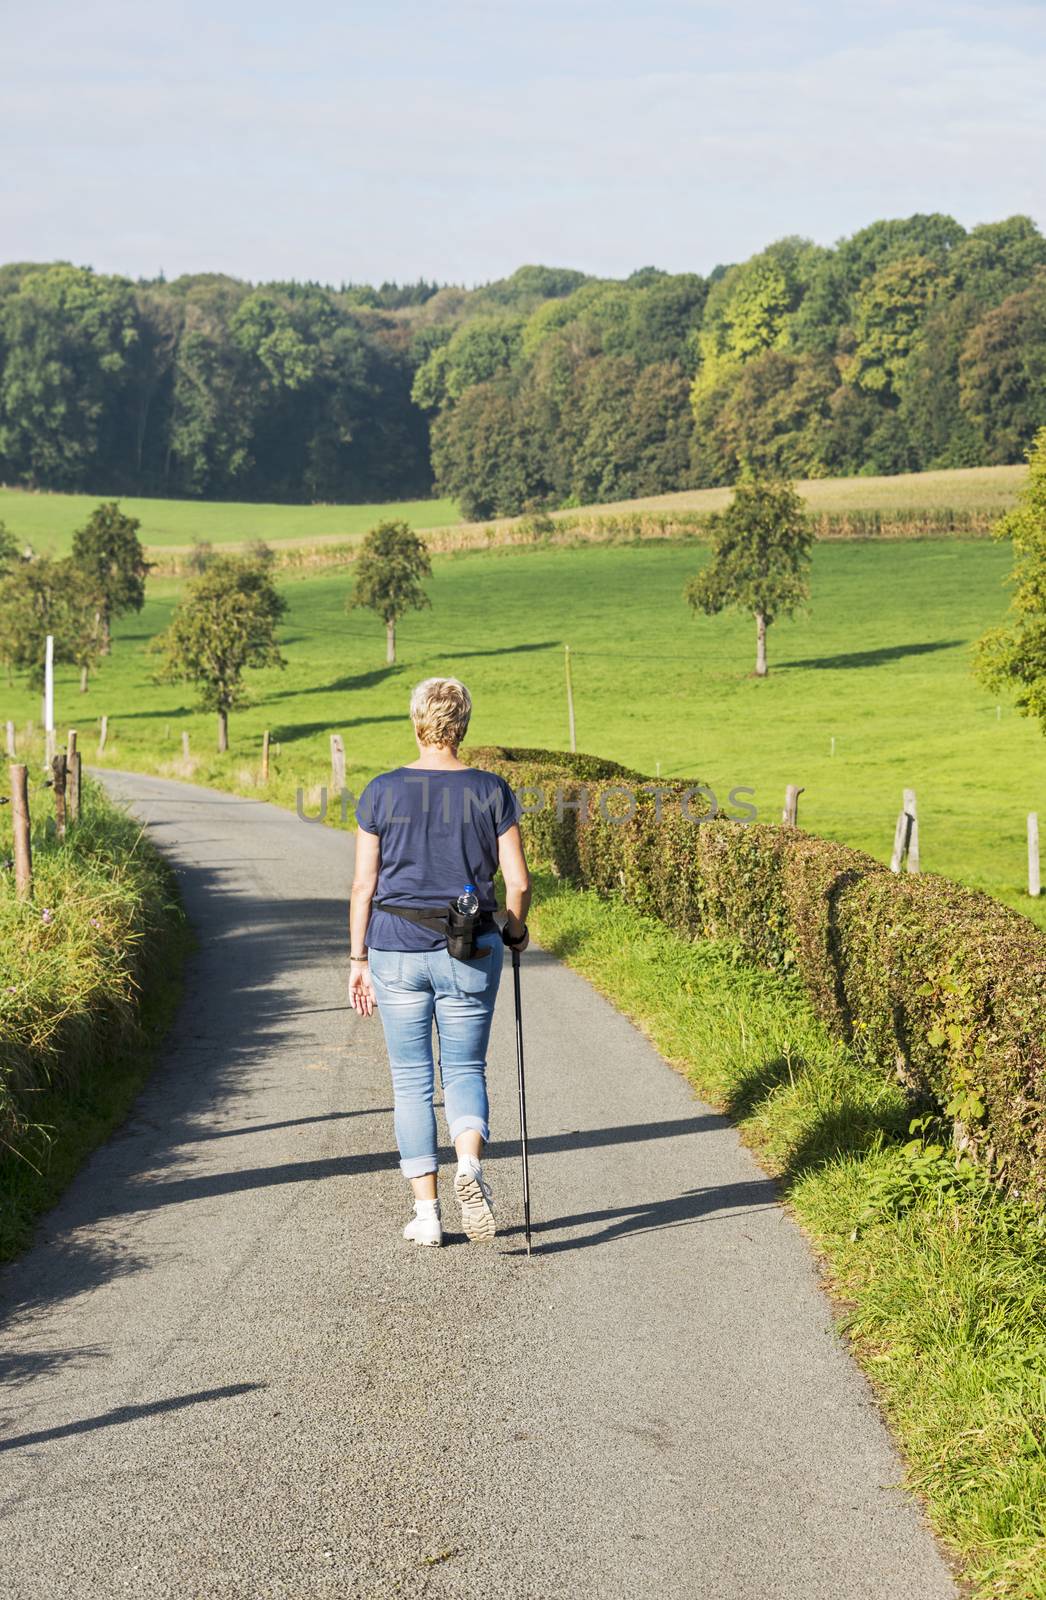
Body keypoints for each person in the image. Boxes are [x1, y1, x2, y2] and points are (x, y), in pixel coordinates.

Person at [348, 677, 532, 1247]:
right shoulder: (491, 789)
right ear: (464, 724)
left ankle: (427, 1217)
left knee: (410, 1082)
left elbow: (363, 885)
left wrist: (357, 959)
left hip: (395, 947)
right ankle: (470, 1168)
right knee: (466, 1071)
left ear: (416, 721)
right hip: (470, 947)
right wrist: (516, 928)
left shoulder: (381, 791)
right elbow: (518, 882)